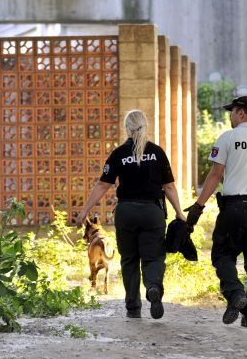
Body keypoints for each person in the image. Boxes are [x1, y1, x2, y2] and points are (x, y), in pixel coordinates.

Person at [184, 96, 247, 327]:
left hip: (234, 208)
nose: (230, 116)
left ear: (241, 113)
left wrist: (198, 206)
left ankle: (235, 293)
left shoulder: (228, 138)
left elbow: (215, 175)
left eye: (232, 112)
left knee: (222, 255)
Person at [75, 110, 185, 319]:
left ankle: (133, 307)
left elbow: (102, 185)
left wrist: (85, 211)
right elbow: (169, 186)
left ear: (127, 128)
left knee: (129, 259)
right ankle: (153, 288)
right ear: (145, 126)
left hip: (126, 212)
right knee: (153, 257)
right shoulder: (157, 152)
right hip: (152, 212)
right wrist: (179, 213)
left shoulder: (119, 153)